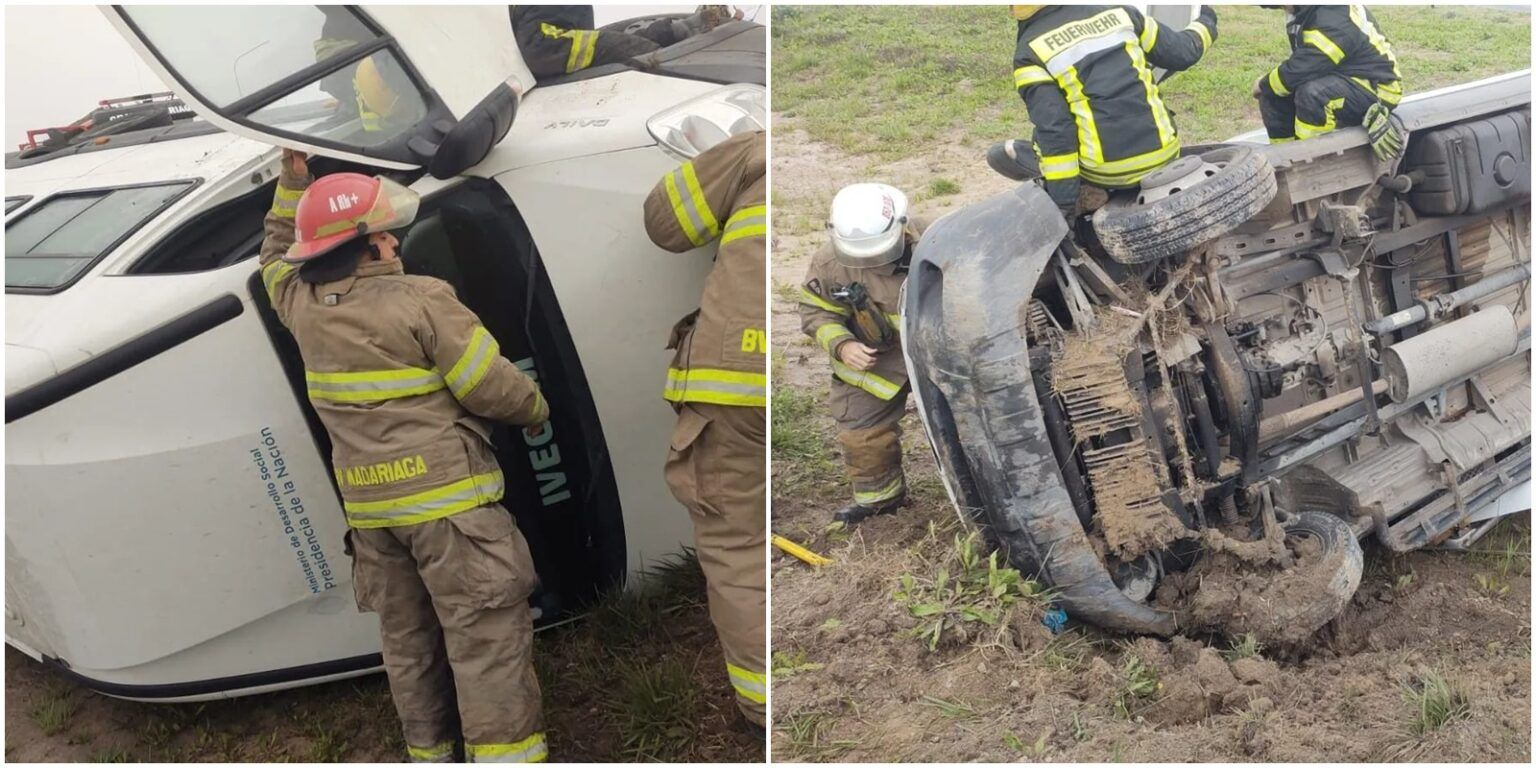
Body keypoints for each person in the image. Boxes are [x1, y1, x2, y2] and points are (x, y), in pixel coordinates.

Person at [261, 150, 551, 764]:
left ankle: (431, 753)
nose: (394, 241)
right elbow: (489, 386)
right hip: (453, 514)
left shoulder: (299, 305)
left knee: (408, 641)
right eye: (383, 233)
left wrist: (291, 185)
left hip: (373, 517)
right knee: (484, 637)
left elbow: (273, 257)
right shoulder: (423, 298)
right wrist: (536, 410)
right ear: (365, 246)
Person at [642, 130, 768, 730]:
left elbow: (665, 223)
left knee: (738, 548)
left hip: (728, 386)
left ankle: (765, 707)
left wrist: (724, 155)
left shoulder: (758, 149)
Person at [987, 5, 1218, 221]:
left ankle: (1088, 193)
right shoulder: (1122, 13)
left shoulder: (1029, 52)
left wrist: (1064, 207)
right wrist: (1206, 19)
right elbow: (1183, 52)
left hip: (1108, 172)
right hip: (1165, 154)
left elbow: (1056, 132)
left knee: (1015, 149)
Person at [798, 183, 929, 526]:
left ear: (902, 225)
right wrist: (843, 345)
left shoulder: (939, 239)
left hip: (936, 354)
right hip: (876, 363)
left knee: (968, 424)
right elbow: (816, 312)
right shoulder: (828, 263)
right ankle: (881, 502)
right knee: (860, 431)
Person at [1253, 5, 1405, 158]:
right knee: (1272, 95)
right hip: (1338, 73)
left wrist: (1264, 84)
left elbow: (1308, 64)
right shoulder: (1307, 9)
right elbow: (1305, 64)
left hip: (1377, 87)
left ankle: (1312, 160)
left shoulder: (1334, 14)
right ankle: (1283, 160)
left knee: (1314, 94)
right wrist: (1267, 88)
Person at [512, 5, 738, 77]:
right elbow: (540, 49)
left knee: (627, 43)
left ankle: (684, 29)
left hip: (562, 59)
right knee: (632, 49)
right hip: (543, 55)